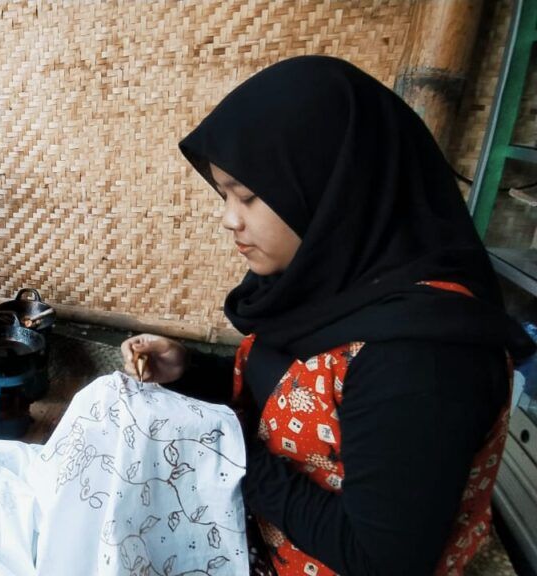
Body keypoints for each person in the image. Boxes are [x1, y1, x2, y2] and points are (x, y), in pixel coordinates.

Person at [121, 55, 535, 576]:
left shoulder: (422, 360)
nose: (229, 219)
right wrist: (193, 371)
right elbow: (300, 401)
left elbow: (382, 558)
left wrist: (226, 450)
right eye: (224, 193)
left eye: (247, 196)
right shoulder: (326, 284)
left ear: (331, 187)